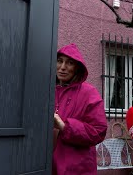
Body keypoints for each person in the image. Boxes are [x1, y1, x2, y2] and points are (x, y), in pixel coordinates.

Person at [52, 43, 108, 175]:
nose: (63, 67)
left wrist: (64, 126)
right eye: (59, 61)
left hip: (77, 169)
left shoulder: (89, 93)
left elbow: (98, 131)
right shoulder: (47, 89)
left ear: (77, 67)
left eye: (70, 63)